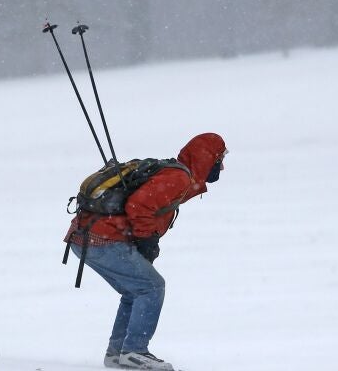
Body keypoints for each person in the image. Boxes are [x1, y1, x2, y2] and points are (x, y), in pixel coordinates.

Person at [66, 133, 227, 371]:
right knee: (151, 287)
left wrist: (145, 239)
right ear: (207, 159)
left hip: (85, 237)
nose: (222, 166)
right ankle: (134, 351)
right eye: (219, 159)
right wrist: (146, 239)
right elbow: (138, 204)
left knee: (136, 290)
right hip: (101, 239)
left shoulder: (176, 174)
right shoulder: (178, 177)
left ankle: (118, 353)